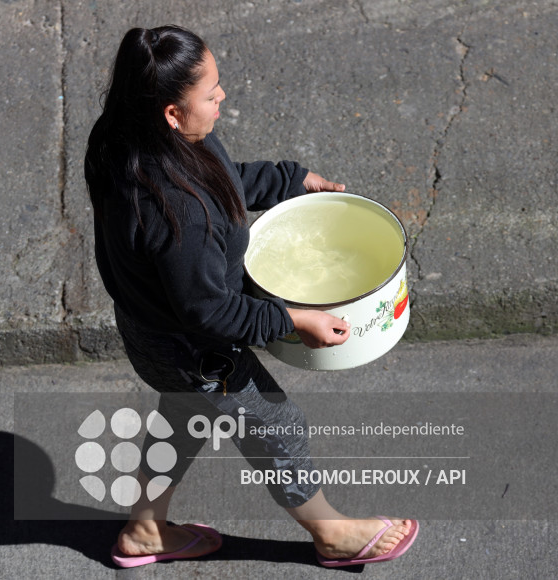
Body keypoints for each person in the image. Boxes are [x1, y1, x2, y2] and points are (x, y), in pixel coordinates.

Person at [84, 25, 418, 569]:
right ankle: (331, 534)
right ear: (171, 112)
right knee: (274, 425)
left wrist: (290, 179)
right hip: (193, 346)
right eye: (211, 93)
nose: (223, 98)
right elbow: (208, 309)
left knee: (184, 411)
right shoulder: (179, 216)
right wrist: (293, 320)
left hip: (151, 329)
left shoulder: (126, 138)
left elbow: (221, 181)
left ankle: (145, 529)